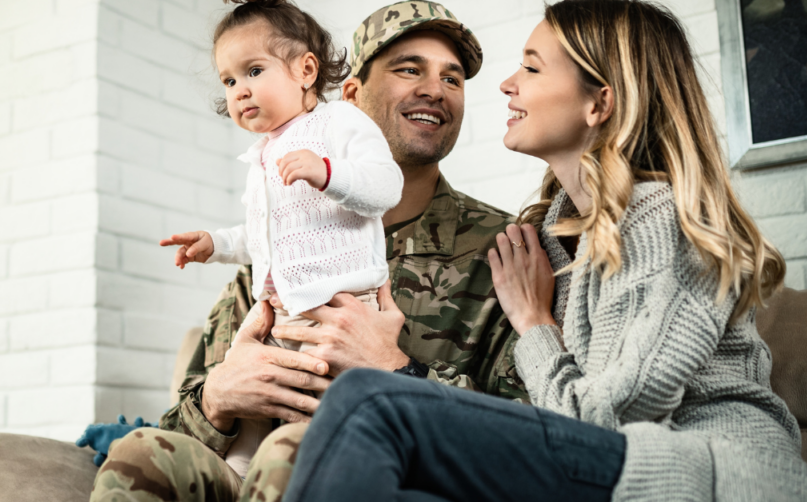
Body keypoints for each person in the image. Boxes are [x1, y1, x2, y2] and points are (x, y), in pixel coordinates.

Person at [283, 1, 807, 501]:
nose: (504, 84)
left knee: (370, 402)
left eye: (532, 67)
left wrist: (533, 323)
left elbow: (602, 421)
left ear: (599, 102)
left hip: (713, 479)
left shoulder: (663, 217)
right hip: (618, 474)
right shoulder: (550, 238)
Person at [86, 2, 527, 501]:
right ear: (353, 95)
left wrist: (398, 371)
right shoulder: (276, 247)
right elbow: (183, 425)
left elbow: (535, 443)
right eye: (409, 69)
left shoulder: (503, 248)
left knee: (295, 455)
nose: (435, 89)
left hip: (380, 474)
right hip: (246, 470)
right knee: (140, 453)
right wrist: (219, 397)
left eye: (453, 79)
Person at [157, 0, 403, 478]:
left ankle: (316, 465)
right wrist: (217, 244)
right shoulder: (265, 153)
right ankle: (241, 470)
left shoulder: (339, 123)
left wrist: (328, 172)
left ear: (305, 69)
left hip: (341, 309)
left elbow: (385, 187)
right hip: (281, 308)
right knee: (252, 381)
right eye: (228, 81)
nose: (239, 91)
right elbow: (265, 235)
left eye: (253, 70)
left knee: (316, 404)